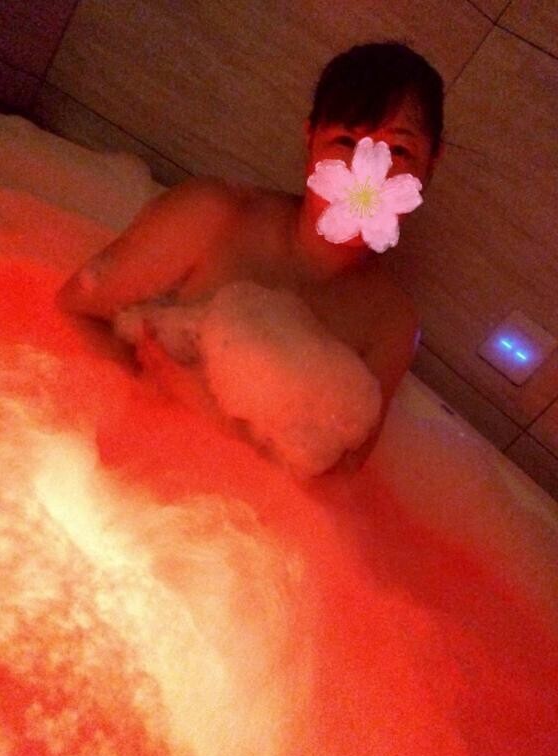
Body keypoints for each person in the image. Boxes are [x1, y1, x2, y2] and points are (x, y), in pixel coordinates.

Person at [58, 41, 445, 467]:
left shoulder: (391, 323)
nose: (365, 172)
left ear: (431, 163)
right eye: (345, 140)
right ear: (310, 138)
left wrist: (204, 415)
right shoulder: (210, 217)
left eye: (399, 151)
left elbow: (337, 477)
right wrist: (143, 395)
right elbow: (75, 310)